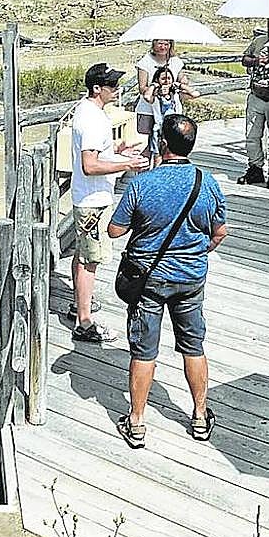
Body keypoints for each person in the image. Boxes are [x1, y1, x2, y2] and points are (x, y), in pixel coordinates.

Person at [107, 114, 228, 450]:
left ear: (161, 144)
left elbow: (114, 231)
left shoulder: (141, 184)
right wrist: (197, 250)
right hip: (191, 278)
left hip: (148, 280)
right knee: (193, 346)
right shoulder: (208, 183)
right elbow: (220, 232)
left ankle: (137, 422)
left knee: (144, 351)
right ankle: (200, 416)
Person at [70, 63, 148, 343]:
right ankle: (85, 322)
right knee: (91, 260)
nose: (116, 90)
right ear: (96, 89)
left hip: (88, 197)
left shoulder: (90, 112)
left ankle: (79, 305)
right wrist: (127, 163)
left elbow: (96, 151)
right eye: (112, 86)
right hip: (93, 201)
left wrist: (117, 150)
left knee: (82, 255)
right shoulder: (91, 119)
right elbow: (89, 165)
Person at [238, 18, 269, 189]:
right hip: (256, 95)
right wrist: (256, 61)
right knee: (252, 136)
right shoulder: (260, 41)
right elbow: (244, 59)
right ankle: (255, 168)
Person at [134, 39, 197, 163]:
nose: (163, 47)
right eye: (160, 43)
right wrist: (158, 91)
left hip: (171, 111)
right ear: (154, 44)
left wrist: (181, 83)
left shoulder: (176, 62)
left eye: (166, 44)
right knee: (146, 145)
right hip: (149, 109)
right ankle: (143, 172)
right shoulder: (145, 62)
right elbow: (142, 88)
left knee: (170, 144)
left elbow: (182, 79)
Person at [143, 66, 184, 166]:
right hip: (160, 130)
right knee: (158, 157)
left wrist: (179, 85)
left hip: (175, 129)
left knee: (175, 156)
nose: (166, 81)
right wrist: (154, 85)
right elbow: (147, 96)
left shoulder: (177, 95)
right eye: (163, 79)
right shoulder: (156, 97)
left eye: (169, 78)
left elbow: (195, 94)